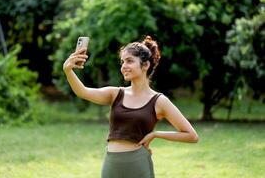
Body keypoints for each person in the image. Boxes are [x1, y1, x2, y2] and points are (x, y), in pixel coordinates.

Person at [63, 36, 199, 178]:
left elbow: (191, 135)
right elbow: (83, 92)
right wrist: (68, 71)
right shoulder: (115, 93)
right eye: (122, 62)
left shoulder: (159, 101)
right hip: (112, 163)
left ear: (145, 65)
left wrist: (156, 134)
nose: (123, 67)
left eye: (129, 61)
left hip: (138, 163)